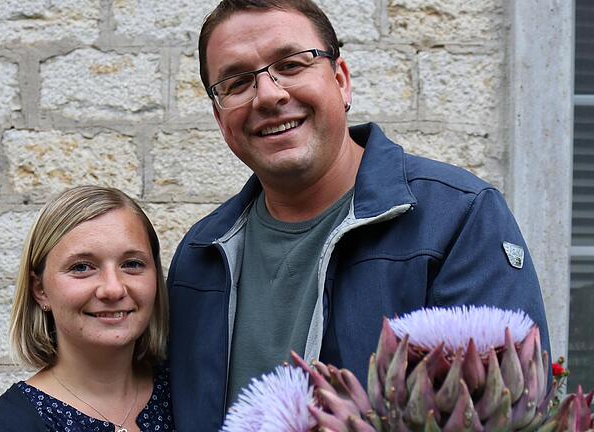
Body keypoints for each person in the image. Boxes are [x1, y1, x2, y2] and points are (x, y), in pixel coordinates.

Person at [166, 0, 551, 430]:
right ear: (221, 118)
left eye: (291, 65)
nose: (271, 95)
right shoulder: (199, 257)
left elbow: (504, 413)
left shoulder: (458, 220)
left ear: (341, 81)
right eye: (237, 83)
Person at [0, 185, 174, 432]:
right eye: (81, 267)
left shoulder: (190, 395)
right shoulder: (9, 425)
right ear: (40, 290)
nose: (113, 289)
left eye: (132, 263)